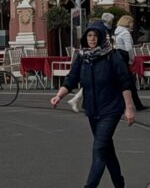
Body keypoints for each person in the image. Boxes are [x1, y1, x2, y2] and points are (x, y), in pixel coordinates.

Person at [51, 20, 135, 188]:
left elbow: (125, 82)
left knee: (99, 149)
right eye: (89, 35)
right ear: (85, 37)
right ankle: (119, 184)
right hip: (92, 110)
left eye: (96, 35)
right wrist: (59, 96)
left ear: (102, 37)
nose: (92, 39)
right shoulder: (83, 57)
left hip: (111, 109)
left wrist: (129, 107)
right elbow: (71, 79)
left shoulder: (112, 56)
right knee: (106, 149)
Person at [114, 14, 150, 111]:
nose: (133, 24)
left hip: (118, 56)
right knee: (128, 81)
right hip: (124, 56)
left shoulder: (117, 32)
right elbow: (129, 48)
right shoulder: (125, 33)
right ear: (127, 22)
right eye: (131, 22)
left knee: (126, 81)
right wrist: (131, 59)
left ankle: (136, 104)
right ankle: (135, 105)